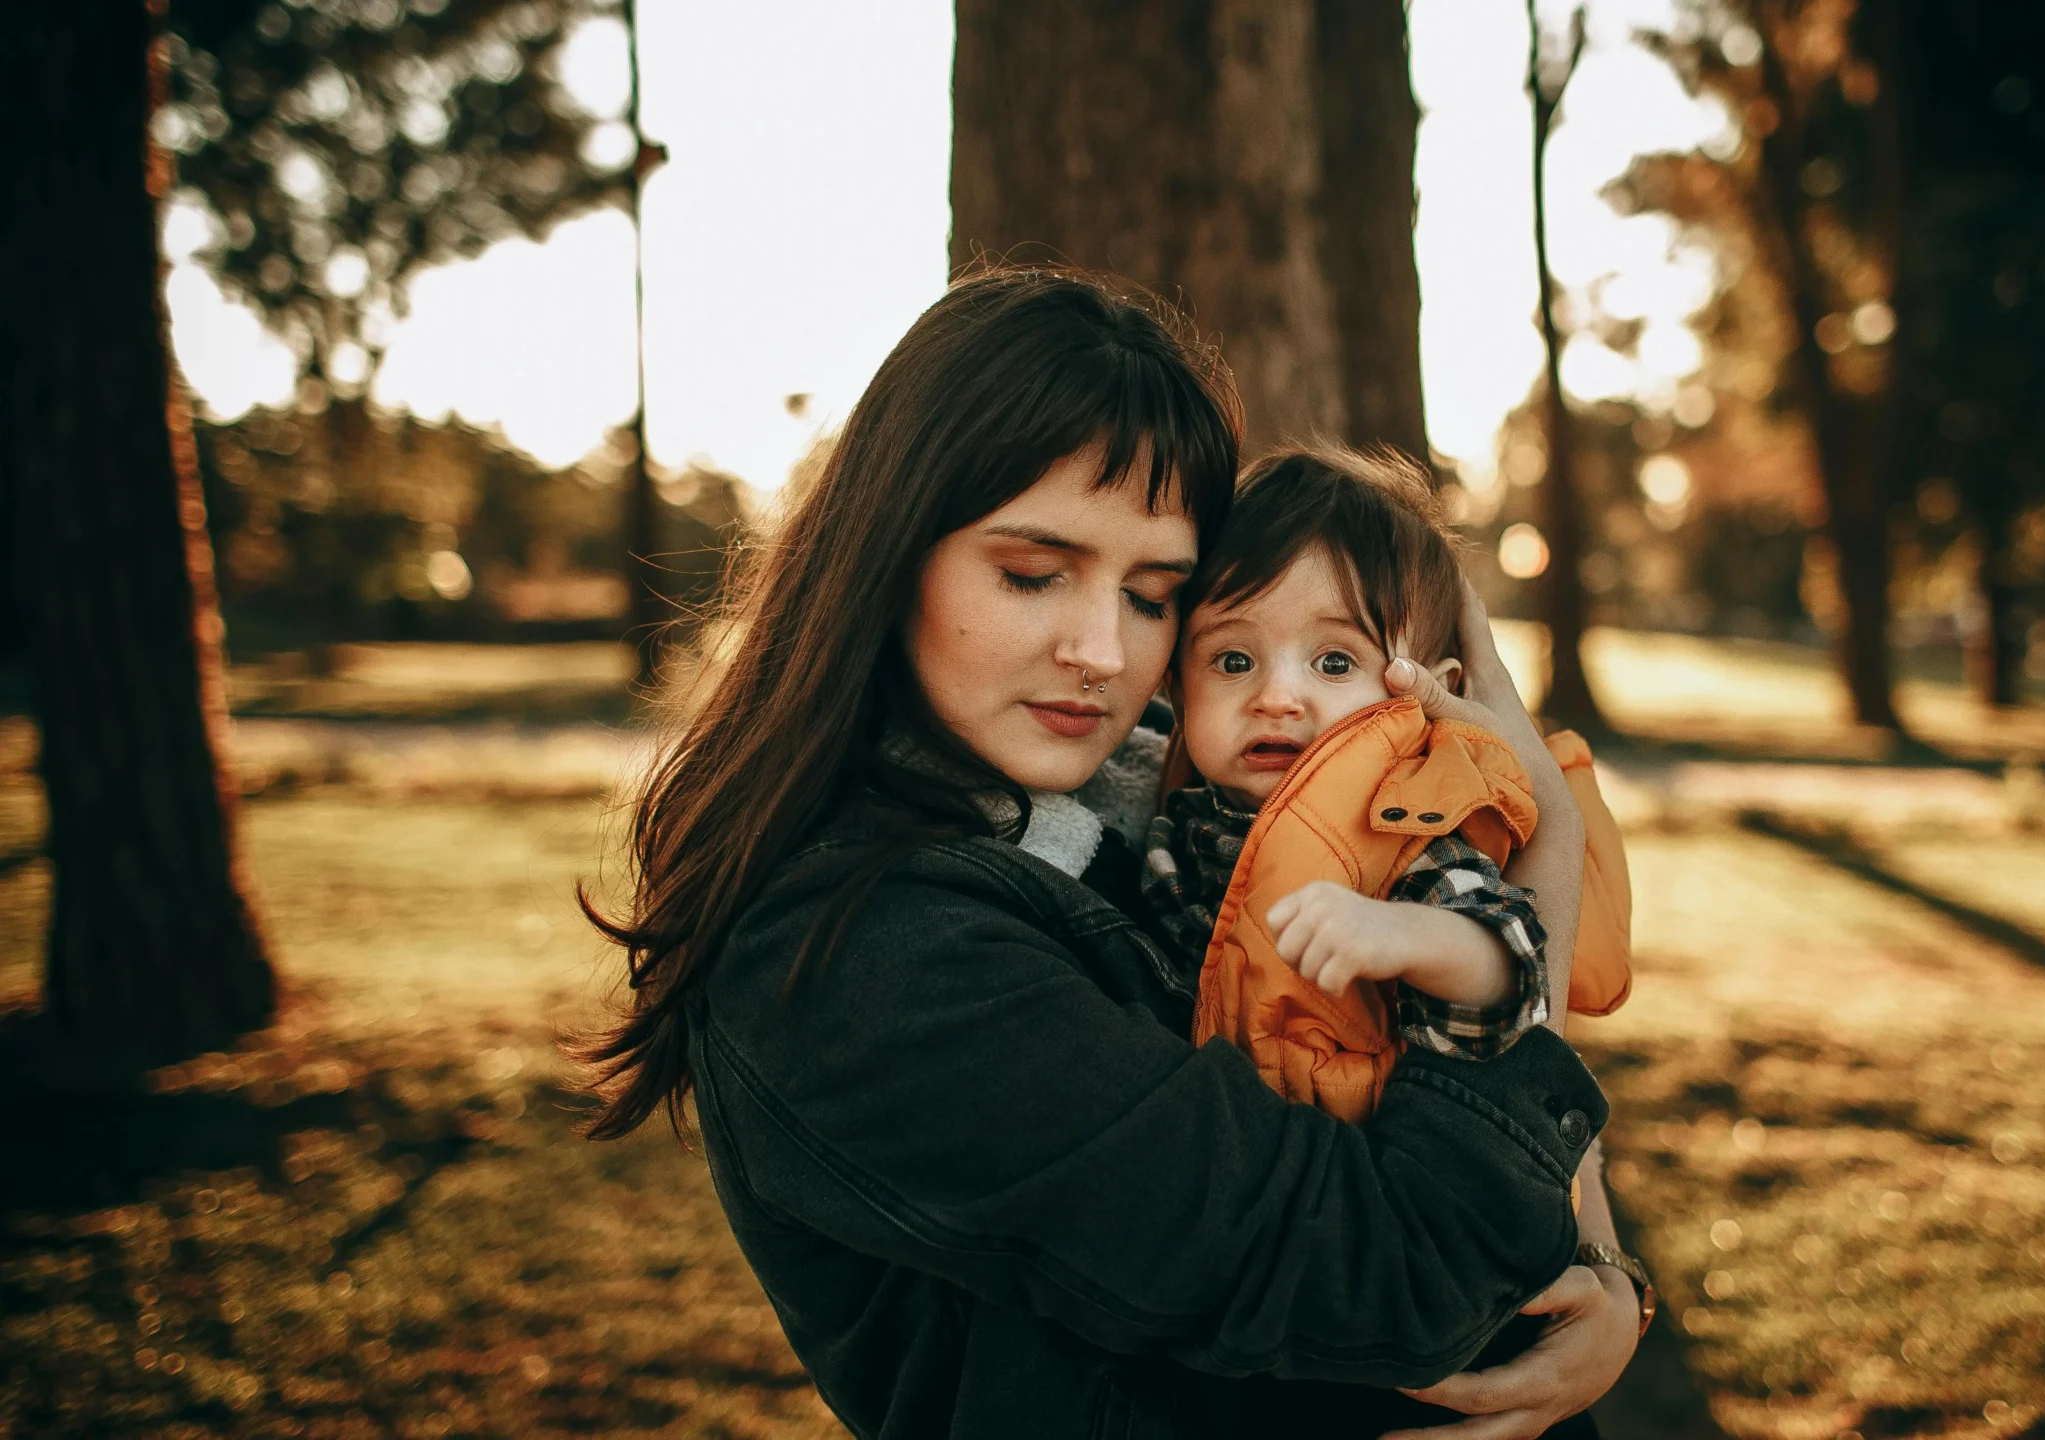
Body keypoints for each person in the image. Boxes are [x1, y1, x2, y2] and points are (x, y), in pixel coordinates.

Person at [578, 266, 1643, 1439]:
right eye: (1032, 575)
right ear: (888, 553)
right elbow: (1394, 1284)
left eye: (1152, 595)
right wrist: (1541, 839)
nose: (1100, 648)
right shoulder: (859, 955)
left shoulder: (1155, 806)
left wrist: (1597, 1265)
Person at [1140, 445, 1636, 1127]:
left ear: (1432, 694)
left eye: (1335, 661)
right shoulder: (1177, 823)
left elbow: (1512, 967)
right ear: (1177, 684)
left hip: (1381, 1166)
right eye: (1233, 659)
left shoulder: (1403, 836)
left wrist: (1404, 933)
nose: (1277, 697)